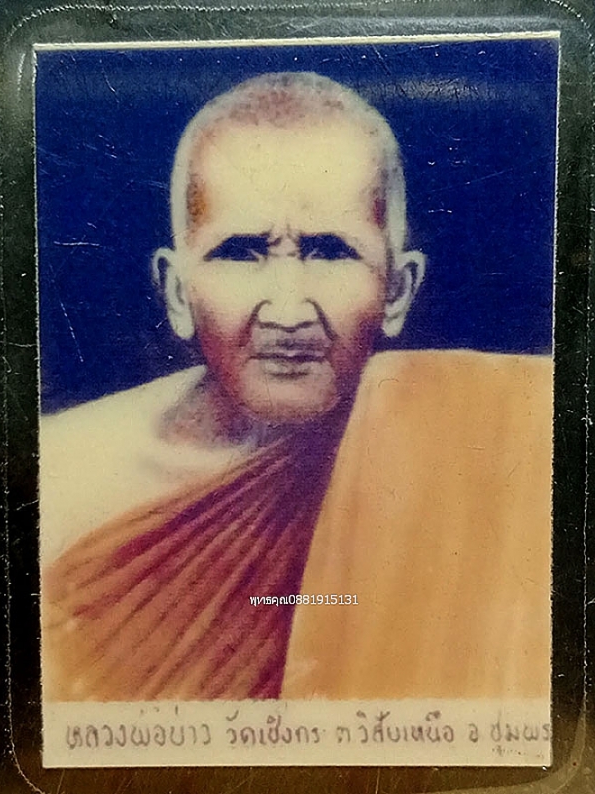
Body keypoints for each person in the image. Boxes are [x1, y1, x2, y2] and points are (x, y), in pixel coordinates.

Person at [40, 72, 552, 703]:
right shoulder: (64, 479)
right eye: (241, 252)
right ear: (178, 292)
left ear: (397, 290)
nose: (287, 311)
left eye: (330, 251)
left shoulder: (500, 446)